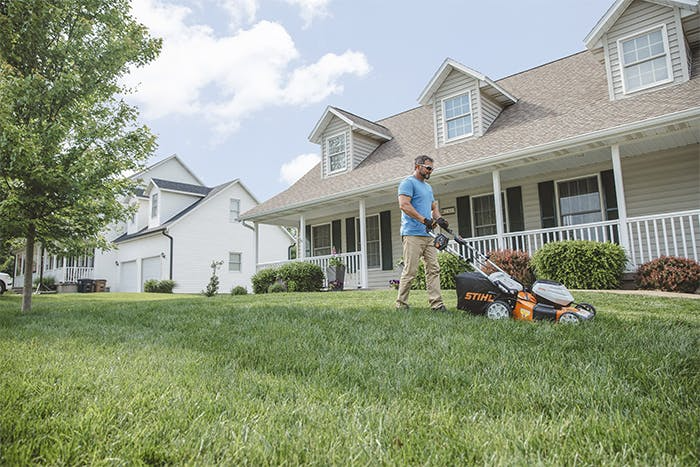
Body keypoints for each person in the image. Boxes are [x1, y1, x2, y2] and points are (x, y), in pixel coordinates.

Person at [395, 155, 449, 311]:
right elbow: (404, 205)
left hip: (428, 235)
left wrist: (440, 219)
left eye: (432, 168)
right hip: (412, 234)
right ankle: (401, 305)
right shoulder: (407, 183)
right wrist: (423, 219)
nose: (431, 171)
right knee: (410, 271)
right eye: (428, 168)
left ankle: (437, 304)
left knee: (434, 269)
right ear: (418, 166)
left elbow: (433, 207)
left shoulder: (428, 187)